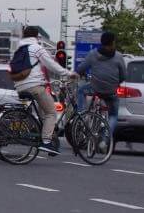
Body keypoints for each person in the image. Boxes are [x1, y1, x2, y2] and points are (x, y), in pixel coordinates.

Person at [12, 26, 78, 156]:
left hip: (19, 86)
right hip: (34, 86)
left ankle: (45, 134)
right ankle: (46, 142)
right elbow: (51, 65)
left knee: (43, 114)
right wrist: (68, 73)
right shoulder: (37, 48)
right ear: (37, 36)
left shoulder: (18, 49)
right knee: (51, 113)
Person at [75, 31, 125, 136]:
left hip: (95, 88)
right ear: (113, 42)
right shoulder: (119, 56)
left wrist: (80, 73)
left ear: (101, 42)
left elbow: (81, 69)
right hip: (111, 91)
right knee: (113, 115)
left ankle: (82, 114)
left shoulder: (93, 54)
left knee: (81, 91)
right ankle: (105, 137)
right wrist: (116, 83)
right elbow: (123, 76)